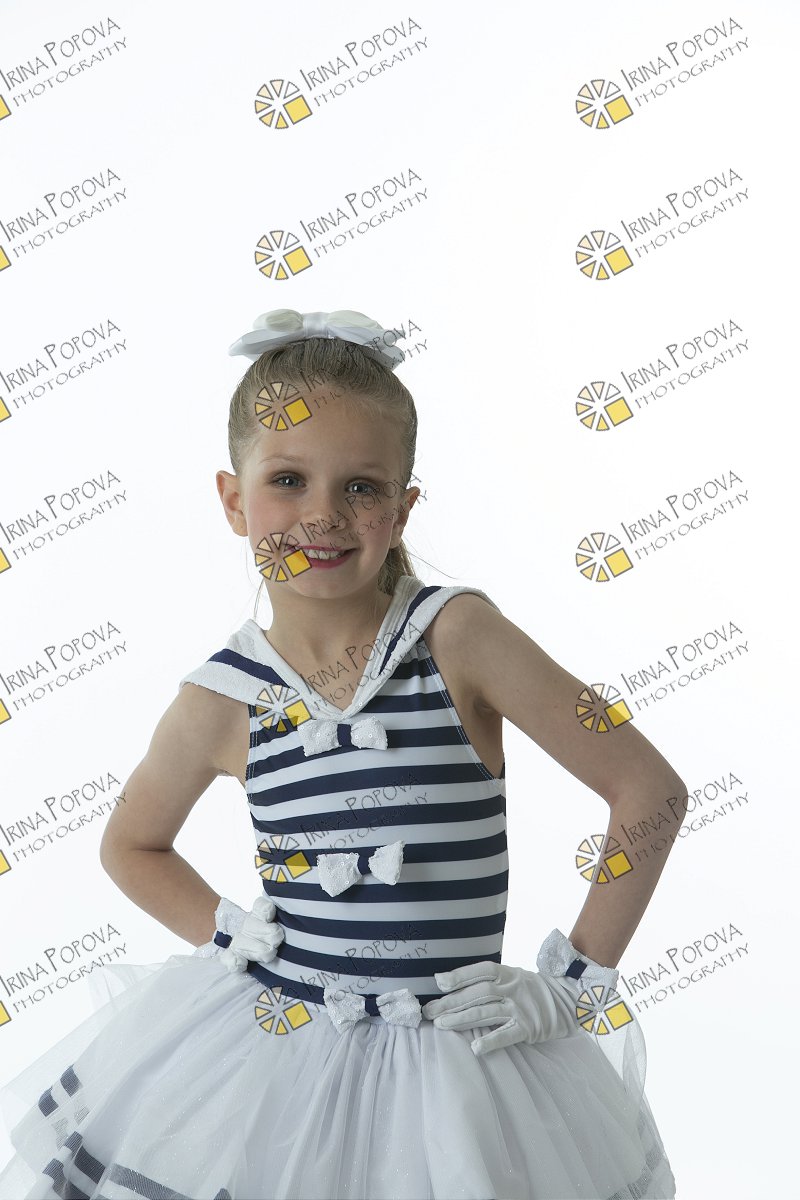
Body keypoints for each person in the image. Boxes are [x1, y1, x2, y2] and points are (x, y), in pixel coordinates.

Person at [0, 308, 682, 1199]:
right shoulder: (223, 697)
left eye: (362, 487)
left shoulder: (458, 637)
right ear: (233, 499)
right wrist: (225, 929)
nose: (322, 515)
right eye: (288, 480)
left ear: (403, 509)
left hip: (462, 1073)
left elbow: (648, 788)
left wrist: (573, 984)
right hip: (279, 1053)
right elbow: (130, 844)